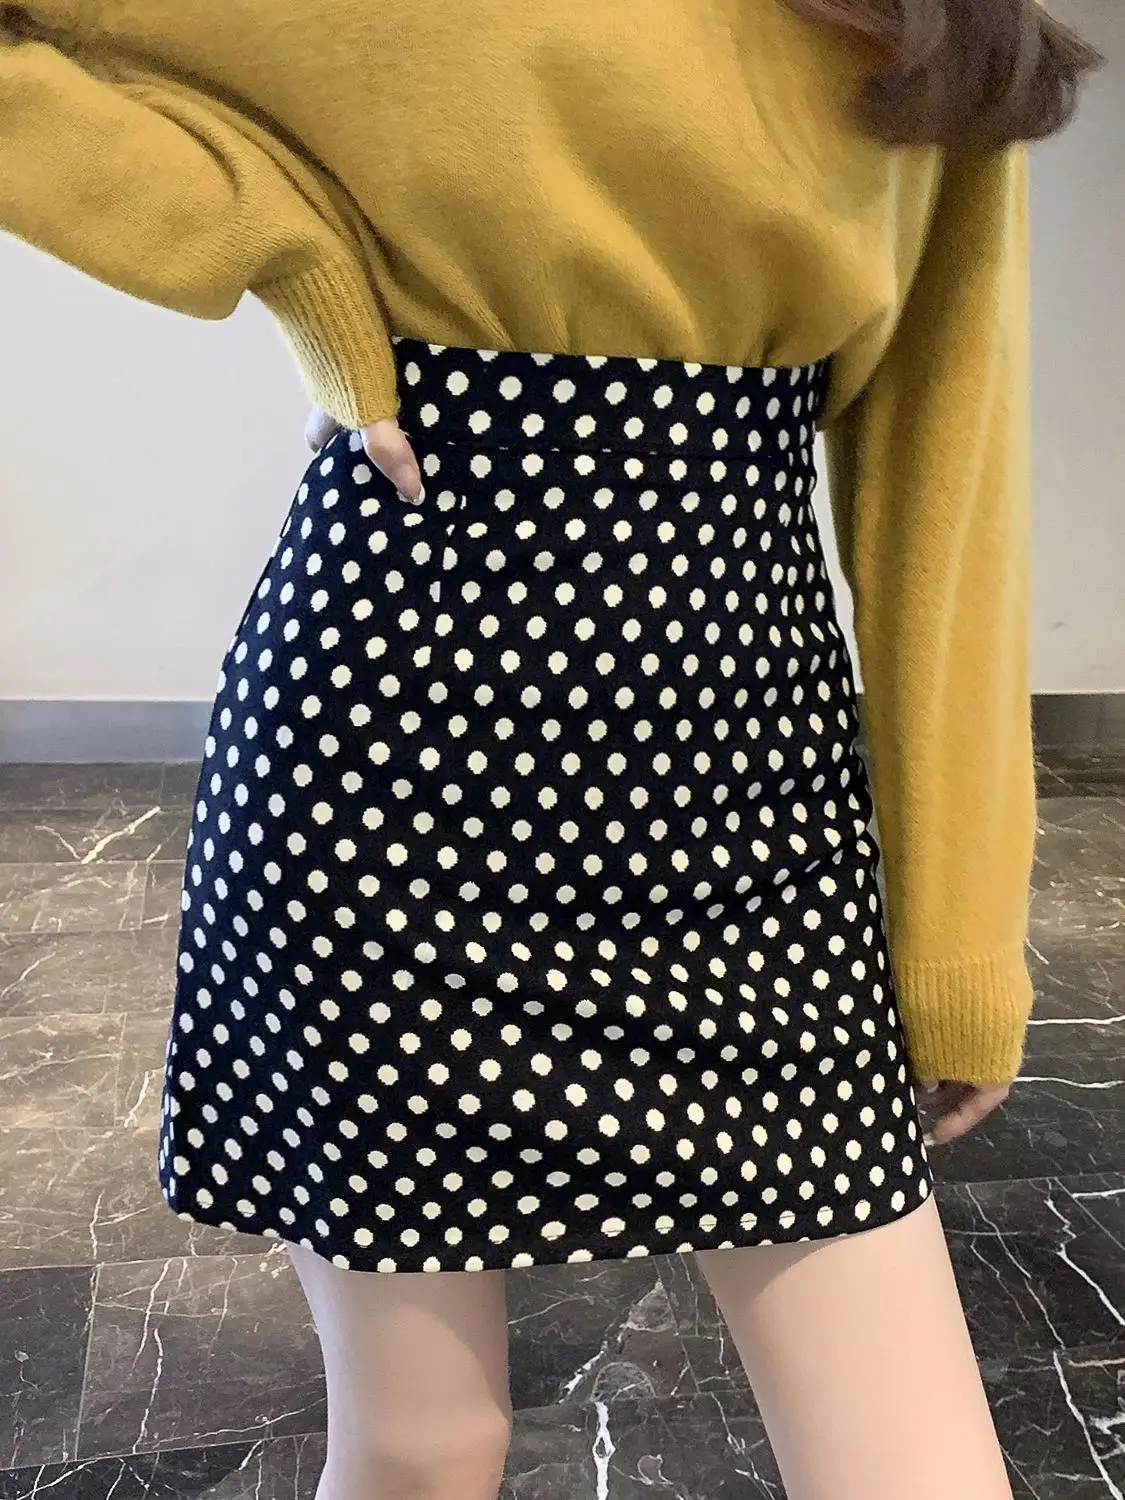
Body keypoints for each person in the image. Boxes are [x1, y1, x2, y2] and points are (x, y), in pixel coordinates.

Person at [1, 2, 1101, 1496]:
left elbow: (946, 477)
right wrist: (280, 251)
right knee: (424, 1446)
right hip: (389, 772)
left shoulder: (919, 17)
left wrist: (957, 938)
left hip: (750, 803)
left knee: (912, 1470)